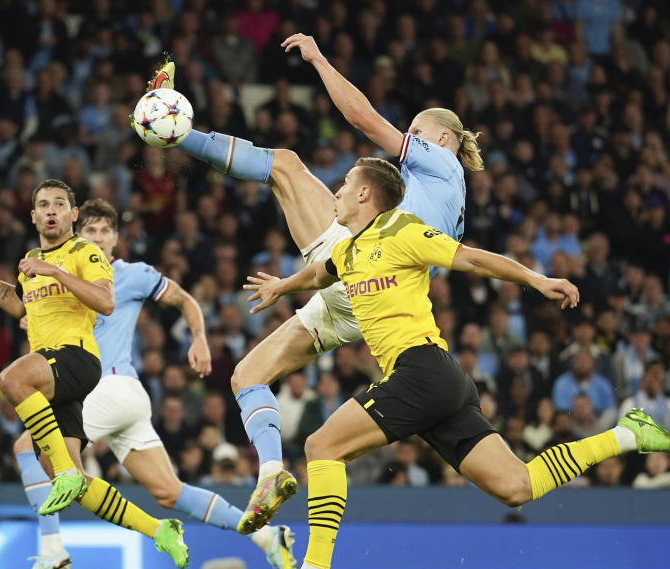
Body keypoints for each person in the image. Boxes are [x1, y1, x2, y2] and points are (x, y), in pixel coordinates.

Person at [242, 158, 670, 569]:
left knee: (322, 447)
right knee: (517, 486)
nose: (336, 193)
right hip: (441, 383)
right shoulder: (349, 251)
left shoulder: (403, 230)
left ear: (365, 194)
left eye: (345, 185)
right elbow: (320, 274)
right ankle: (630, 433)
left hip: (421, 370)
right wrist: (282, 286)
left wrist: (536, 279)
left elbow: (473, 258)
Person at [138, 33, 484, 533]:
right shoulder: (450, 206)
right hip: (361, 304)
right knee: (245, 375)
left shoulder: (441, 161)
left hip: (362, 269)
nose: (408, 138)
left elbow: (364, 119)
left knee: (285, 164)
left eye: (416, 131)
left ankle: (177, 134)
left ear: (444, 139)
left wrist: (321, 59)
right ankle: (272, 472)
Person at [13, 198, 297, 569]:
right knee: (169, 491)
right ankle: (269, 537)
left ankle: (51, 548)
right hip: (122, 399)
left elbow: (184, 298)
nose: (96, 237)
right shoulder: (61, 276)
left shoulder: (130, 275)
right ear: (79, 235)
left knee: (29, 445)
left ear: (115, 240)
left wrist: (199, 337)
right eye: (89, 231)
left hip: (108, 388)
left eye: (104, 231)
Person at [0, 179, 188, 568]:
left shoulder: (84, 251)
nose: (51, 210)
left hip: (78, 358)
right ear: (33, 215)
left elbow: (106, 301)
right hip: (55, 378)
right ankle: (159, 530)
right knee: (68, 479)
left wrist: (54, 273)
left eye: (59, 204)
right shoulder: (31, 260)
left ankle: (68, 479)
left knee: (10, 379)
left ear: (73, 215)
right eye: (43, 204)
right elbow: (15, 303)